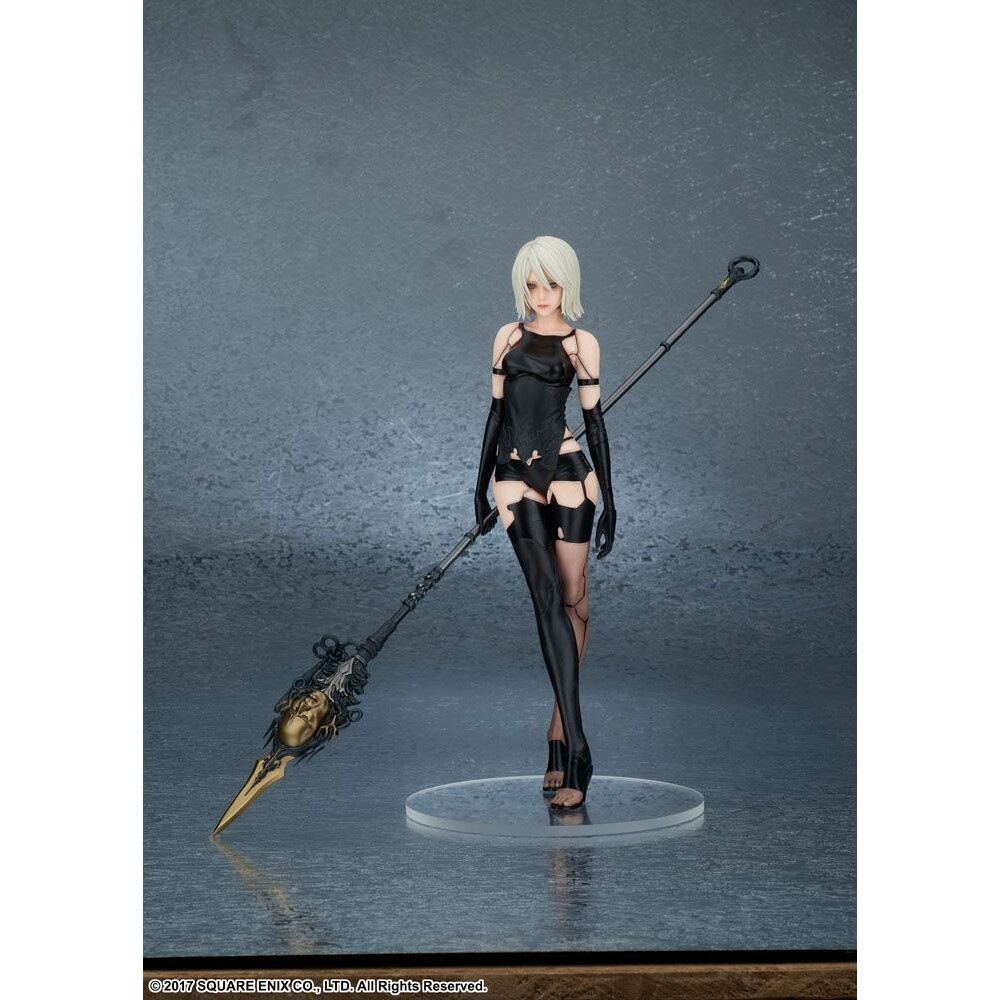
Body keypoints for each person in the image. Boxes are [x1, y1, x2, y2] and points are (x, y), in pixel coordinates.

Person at [474, 235, 616, 810]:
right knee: (546, 596)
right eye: (532, 284)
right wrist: (476, 487)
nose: (541, 294)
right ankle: (579, 748)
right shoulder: (507, 337)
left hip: (569, 471)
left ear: (567, 285)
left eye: (551, 284)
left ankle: (558, 731)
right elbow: (495, 414)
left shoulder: (582, 344)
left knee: (574, 599)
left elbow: (595, 423)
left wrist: (612, 501)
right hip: (513, 474)